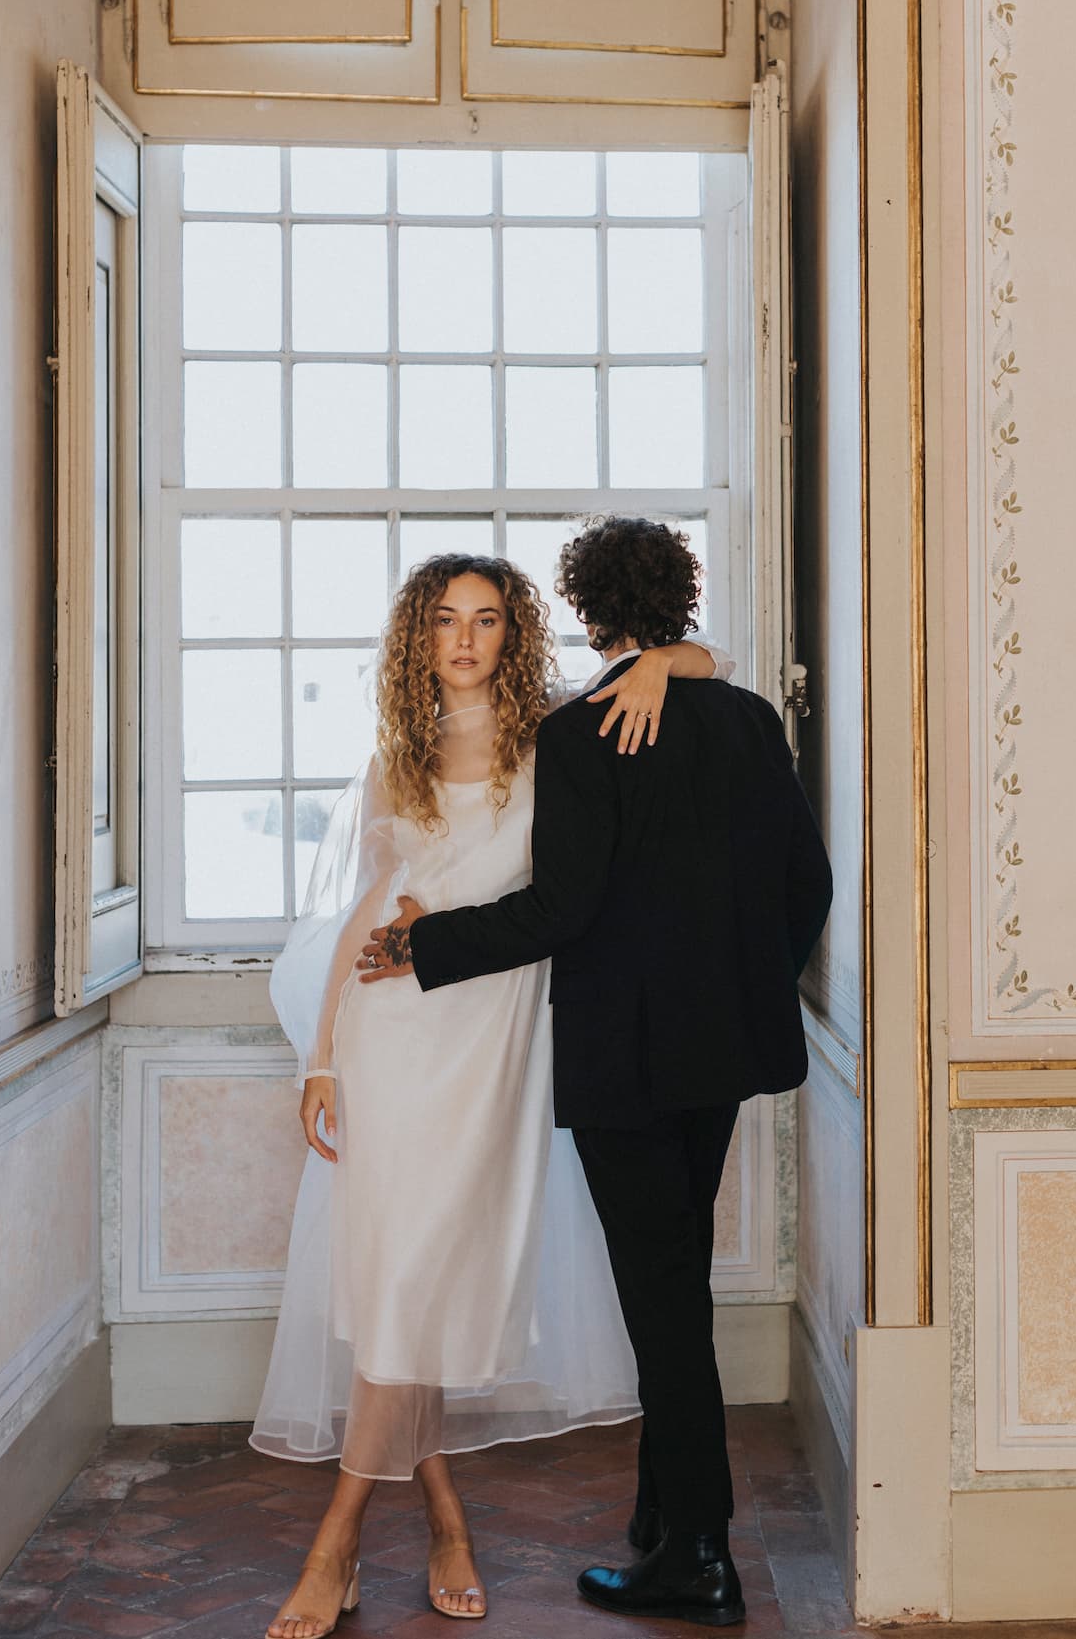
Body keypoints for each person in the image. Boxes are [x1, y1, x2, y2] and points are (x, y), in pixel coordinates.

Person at [359, 515, 833, 1629]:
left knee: (660, 1293)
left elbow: (562, 909)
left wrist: (425, 946)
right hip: (723, 1048)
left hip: (628, 1057)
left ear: (585, 610)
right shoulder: (751, 718)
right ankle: (666, 1512)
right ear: (678, 602)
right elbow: (805, 882)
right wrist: (745, 977)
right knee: (677, 1276)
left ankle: (699, 1559)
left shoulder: (578, 736)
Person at [252, 550, 730, 1639]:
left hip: (495, 1049)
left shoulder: (556, 740)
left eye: (486, 621)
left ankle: (432, 1522)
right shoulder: (395, 760)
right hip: (391, 1039)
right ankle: (352, 1545)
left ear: (516, 637)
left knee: (424, 1287)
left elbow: (718, 662)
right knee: (399, 1288)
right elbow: (365, 918)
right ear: (416, 639)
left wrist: (660, 659)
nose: (464, 640)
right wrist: (321, 1056)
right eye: (443, 622)